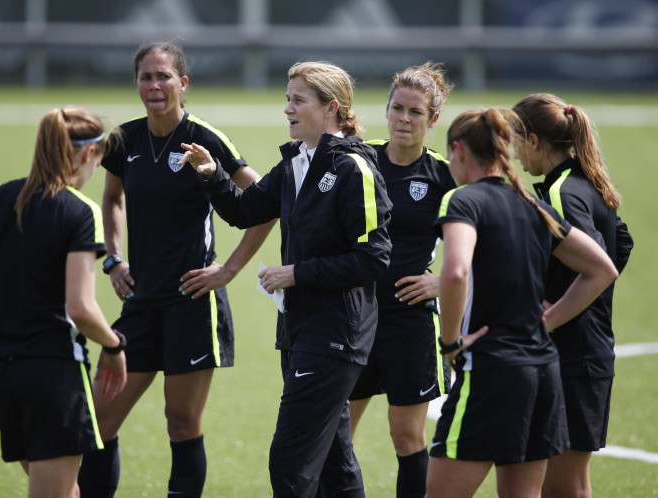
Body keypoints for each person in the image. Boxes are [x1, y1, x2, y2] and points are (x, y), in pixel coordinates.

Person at [180, 60, 392, 498]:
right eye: (287, 100)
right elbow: (244, 211)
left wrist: (296, 273)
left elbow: (374, 258)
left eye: (298, 100)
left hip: (336, 335)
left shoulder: (354, 169)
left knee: (290, 462)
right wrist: (212, 175)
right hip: (300, 330)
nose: (288, 109)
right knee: (336, 466)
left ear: (331, 108)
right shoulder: (296, 161)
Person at [76, 40, 274, 498]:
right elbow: (112, 199)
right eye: (146, 77)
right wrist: (113, 259)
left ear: (182, 83)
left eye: (163, 76)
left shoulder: (204, 137)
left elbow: (265, 202)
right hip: (142, 301)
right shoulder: (124, 140)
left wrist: (227, 269)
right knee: (98, 422)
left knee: (181, 422)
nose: (154, 85)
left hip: (193, 301)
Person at [425, 107, 619, 498]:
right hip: (544, 372)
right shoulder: (534, 205)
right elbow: (603, 268)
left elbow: (456, 272)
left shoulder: (463, 200)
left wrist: (450, 344)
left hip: (490, 371)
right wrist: (544, 322)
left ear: (458, 151)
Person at [0, 106, 128, 498]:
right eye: (98, 159)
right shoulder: (79, 211)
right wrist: (114, 345)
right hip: (52, 375)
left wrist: (5, 314)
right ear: (86, 154)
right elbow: (80, 307)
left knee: (65, 490)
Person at [512, 93, 633, 498]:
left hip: (574, 357)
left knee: (565, 487)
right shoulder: (584, 180)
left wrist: (551, 316)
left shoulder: (564, 192)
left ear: (533, 140)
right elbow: (622, 243)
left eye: (515, 140)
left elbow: (601, 266)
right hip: (578, 352)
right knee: (551, 485)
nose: (513, 154)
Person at [347, 62, 455, 497]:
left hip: (409, 323)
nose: (403, 119)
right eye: (397, 108)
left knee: (406, 437)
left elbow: (490, 241)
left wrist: (443, 279)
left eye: (415, 112)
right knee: (335, 435)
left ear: (432, 120)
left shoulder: (445, 176)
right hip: (353, 316)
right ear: (387, 110)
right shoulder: (357, 159)